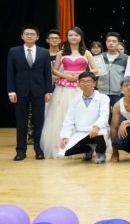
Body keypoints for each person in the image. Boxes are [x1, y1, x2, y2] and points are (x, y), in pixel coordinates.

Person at [40, 26, 98, 158]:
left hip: (81, 87)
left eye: (76, 35)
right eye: (71, 35)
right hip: (64, 88)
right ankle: (61, 147)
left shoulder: (86, 53)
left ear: (81, 37)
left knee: (82, 114)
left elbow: (95, 69)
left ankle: (83, 147)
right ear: (67, 37)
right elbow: (54, 70)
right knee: (62, 115)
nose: (73, 37)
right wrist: (66, 75)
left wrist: (82, 75)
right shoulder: (61, 52)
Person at [6, 24, 53, 160]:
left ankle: (39, 149)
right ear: (22, 36)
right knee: (21, 122)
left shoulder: (44, 52)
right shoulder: (14, 51)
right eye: (27, 34)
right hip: (20, 91)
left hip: (39, 91)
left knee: (39, 121)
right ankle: (21, 151)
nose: (29, 36)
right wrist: (11, 91)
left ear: (37, 37)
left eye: (32, 34)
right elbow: (10, 72)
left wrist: (48, 91)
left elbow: (47, 74)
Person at [57, 72, 110, 164]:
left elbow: (104, 115)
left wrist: (97, 126)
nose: (86, 84)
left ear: (94, 83)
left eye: (89, 81)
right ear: (79, 83)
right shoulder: (75, 100)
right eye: (83, 81)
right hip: (82, 132)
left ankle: (100, 153)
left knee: (99, 135)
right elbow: (69, 120)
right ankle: (89, 149)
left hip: (98, 130)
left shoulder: (103, 98)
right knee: (65, 150)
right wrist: (65, 136)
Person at [97, 32, 129, 108]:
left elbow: (127, 75)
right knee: (103, 114)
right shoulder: (100, 57)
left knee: (117, 114)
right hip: (101, 92)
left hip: (118, 92)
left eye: (114, 41)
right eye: (109, 41)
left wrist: (124, 90)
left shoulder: (125, 58)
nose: (111, 43)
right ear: (106, 42)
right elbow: (95, 74)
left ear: (118, 43)